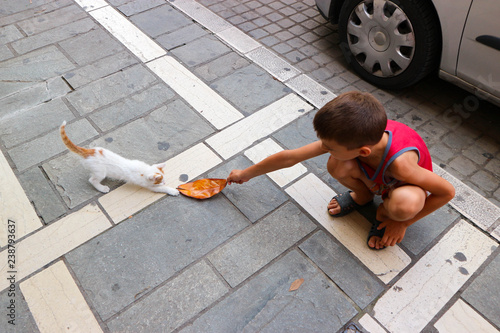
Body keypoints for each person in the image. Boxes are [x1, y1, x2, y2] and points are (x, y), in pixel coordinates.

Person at [227, 91, 455, 250]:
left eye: (329, 146)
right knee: (336, 163)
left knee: (405, 205)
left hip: (404, 185)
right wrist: (246, 173)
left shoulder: (401, 165)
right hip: (378, 177)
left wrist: (403, 223)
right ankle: (364, 196)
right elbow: (291, 157)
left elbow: (447, 192)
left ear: (363, 152)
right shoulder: (355, 137)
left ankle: (386, 215)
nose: (323, 147)